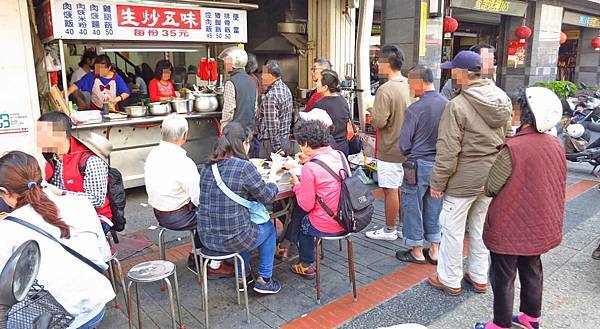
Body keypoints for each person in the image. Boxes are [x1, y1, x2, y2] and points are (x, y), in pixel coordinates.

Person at [474, 87, 566, 329]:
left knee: (503, 276)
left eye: (517, 108)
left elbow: (491, 187)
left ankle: (501, 324)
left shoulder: (514, 148)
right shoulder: (555, 144)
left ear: (527, 114)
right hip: (540, 223)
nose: (514, 112)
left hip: (510, 224)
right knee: (532, 269)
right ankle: (530, 318)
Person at [427, 51, 512, 296]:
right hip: (492, 177)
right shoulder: (502, 98)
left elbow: (448, 149)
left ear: (463, 74)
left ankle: (450, 279)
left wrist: (438, 182)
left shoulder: (458, 104)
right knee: (480, 228)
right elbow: (509, 138)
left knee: (452, 231)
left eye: (454, 70)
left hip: (462, 180)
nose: (451, 73)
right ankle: (478, 277)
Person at [0, 151, 114, 329]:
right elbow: (103, 255)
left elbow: (5, 288)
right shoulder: (81, 203)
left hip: (54, 320)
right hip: (95, 308)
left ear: (5, 192)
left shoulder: (7, 229)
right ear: (41, 177)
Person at [196, 122, 282, 294]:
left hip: (207, 237)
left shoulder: (206, 167)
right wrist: (273, 174)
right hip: (233, 239)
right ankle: (264, 279)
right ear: (243, 143)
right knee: (268, 229)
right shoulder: (244, 167)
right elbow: (268, 197)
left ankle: (243, 276)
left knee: (243, 225)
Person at [145, 114, 234, 278]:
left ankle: (196, 253)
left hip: (159, 212)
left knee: (204, 211)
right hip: (178, 216)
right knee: (217, 215)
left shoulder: (153, 154)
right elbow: (199, 198)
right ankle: (214, 264)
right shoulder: (182, 162)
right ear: (184, 136)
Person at [394, 65, 447, 265]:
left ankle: (416, 250)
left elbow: (405, 144)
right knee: (435, 205)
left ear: (418, 82)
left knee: (412, 206)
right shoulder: (447, 104)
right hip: (440, 164)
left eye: (409, 83)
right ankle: (434, 249)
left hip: (416, 165)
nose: (409, 87)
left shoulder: (415, 109)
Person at [287, 120, 347, 278]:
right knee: (303, 211)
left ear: (306, 143)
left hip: (328, 223)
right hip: (347, 217)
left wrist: (296, 185)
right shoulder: (339, 155)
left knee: (301, 218)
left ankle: (306, 265)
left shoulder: (310, 168)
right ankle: (284, 245)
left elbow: (306, 205)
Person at [365, 45, 412, 241]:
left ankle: (389, 229)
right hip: (408, 148)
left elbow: (379, 121)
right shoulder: (410, 84)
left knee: (390, 189)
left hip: (390, 147)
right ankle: (401, 226)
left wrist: (371, 113)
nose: (376, 65)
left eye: (378, 62)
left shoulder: (385, 90)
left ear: (386, 63)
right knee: (402, 189)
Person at [37, 111, 114, 233]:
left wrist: (60, 193)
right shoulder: (52, 157)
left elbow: (97, 200)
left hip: (95, 219)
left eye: (43, 135)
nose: (39, 140)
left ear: (60, 136)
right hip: (67, 214)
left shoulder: (90, 160)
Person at [257, 60, 293, 158]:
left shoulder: (272, 95)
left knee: (267, 171)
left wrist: (277, 148)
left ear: (271, 76)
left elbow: (272, 125)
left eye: (264, 74)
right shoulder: (285, 88)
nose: (261, 77)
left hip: (271, 143)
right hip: (284, 138)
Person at [312, 69, 351, 155]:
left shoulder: (319, 105)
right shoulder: (343, 101)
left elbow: (314, 133)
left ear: (325, 87)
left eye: (318, 81)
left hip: (328, 151)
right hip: (343, 149)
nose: (316, 83)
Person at [219, 47, 257, 131]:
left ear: (234, 63)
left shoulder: (231, 83)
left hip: (234, 132)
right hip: (249, 129)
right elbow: (255, 108)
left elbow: (228, 112)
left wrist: (223, 129)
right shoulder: (252, 81)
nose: (224, 64)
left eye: (226, 62)